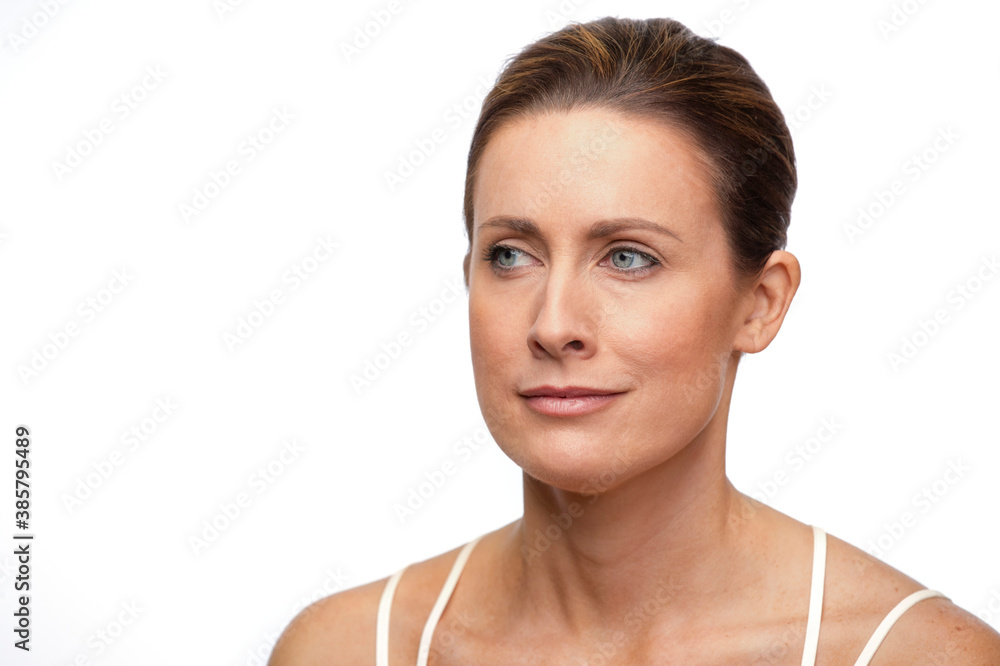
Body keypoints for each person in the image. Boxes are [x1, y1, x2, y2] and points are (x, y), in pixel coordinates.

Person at [269, 16, 1000, 665]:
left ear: (761, 302)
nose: (554, 325)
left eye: (627, 257)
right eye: (511, 256)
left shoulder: (916, 654)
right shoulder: (347, 650)